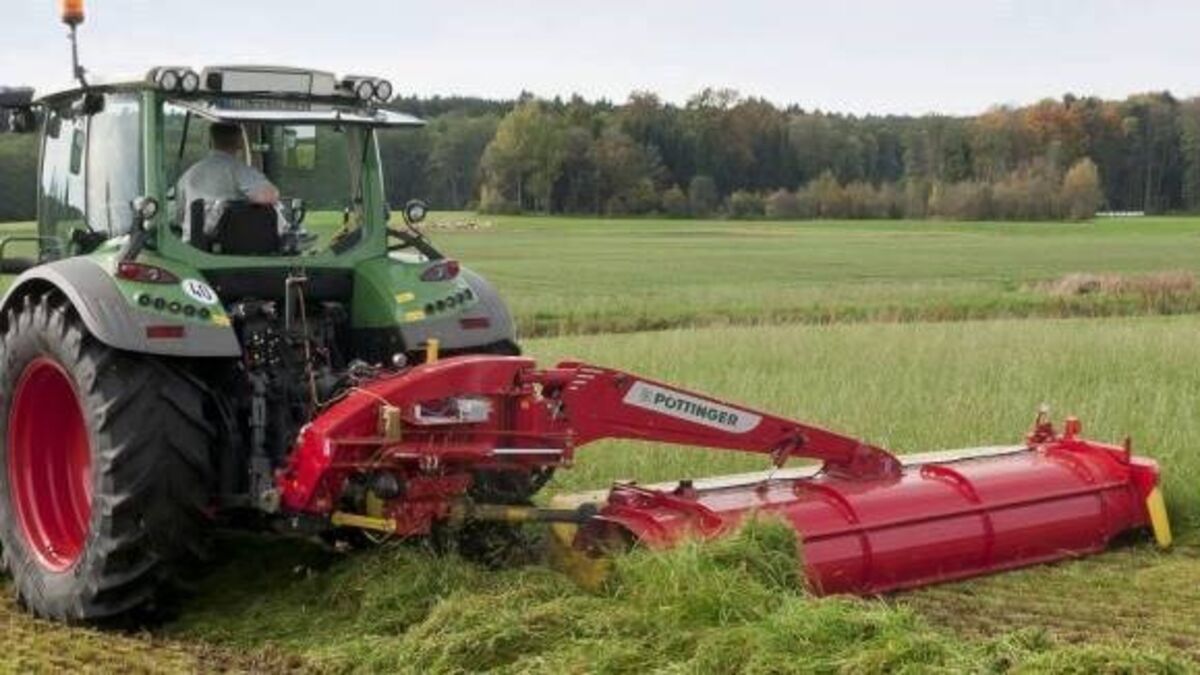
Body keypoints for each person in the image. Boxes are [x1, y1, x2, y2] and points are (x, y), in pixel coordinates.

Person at [175, 122, 280, 242]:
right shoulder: (240, 171)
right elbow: (270, 195)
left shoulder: (188, 175)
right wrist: (246, 205)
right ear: (239, 142)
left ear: (211, 141)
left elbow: (179, 216)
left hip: (190, 247)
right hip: (231, 247)